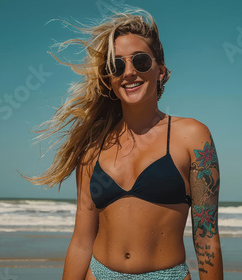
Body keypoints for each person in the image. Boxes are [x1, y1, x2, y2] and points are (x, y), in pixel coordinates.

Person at [22, 8, 223, 280]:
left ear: (160, 71)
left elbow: (206, 238)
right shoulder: (92, 148)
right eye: (116, 66)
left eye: (140, 61)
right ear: (109, 78)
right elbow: (82, 241)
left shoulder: (192, 136)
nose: (129, 72)